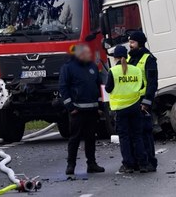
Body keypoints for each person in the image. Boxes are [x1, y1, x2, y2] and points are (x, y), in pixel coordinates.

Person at [59, 44, 105, 175]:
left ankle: (92, 164)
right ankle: (71, 165)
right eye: (86, 53)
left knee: (91, 138)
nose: (89, 55)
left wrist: (100, 106)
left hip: (92, 110)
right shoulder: (68, 68)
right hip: (77, 111)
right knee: (75, 138)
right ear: (79, 55)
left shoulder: (93, 67)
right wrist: (70, 107)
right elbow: (63, 88)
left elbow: (99, 87)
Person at [105, 45, 151, 173]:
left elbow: (108, 88)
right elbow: (141, 85)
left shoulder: (113, 71)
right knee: (137, 136)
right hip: (135, 106)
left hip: (121, 108)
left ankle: (128, 165)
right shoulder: (135, 70)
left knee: (124, 137)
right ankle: (143, 164)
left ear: (116, 58)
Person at [127, 31, 158, 171]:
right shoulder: (129, 58)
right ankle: (138, 161)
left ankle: (150, 161)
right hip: (130, 101)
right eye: (129, 41)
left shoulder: (148, 59)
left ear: (139, 43)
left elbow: (152, 83)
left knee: (145, 132)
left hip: (142, 101)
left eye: (132, 42)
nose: (130, 44)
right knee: (134, 134)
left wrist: (147, 102)